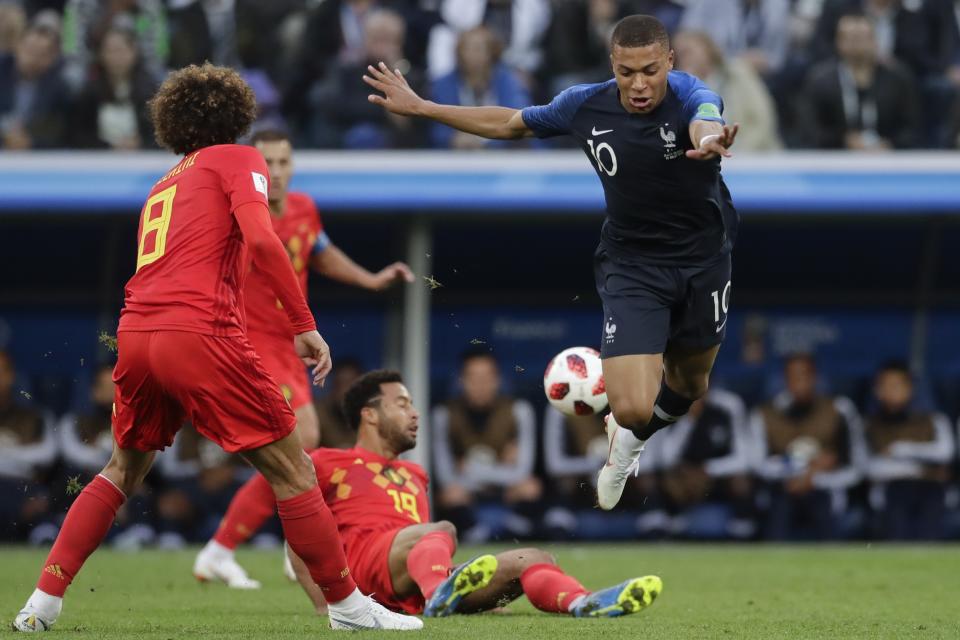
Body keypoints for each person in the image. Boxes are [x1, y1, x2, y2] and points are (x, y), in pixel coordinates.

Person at [12, 63, 421, 632]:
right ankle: (347, 608)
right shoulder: (237, 158)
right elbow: (262, 237)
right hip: (198, 333)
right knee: (296, 472)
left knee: (121, 471)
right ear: (237, 115)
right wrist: (304, 322)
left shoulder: (164, 184)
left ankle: (42, 603)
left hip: (136, 335)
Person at [364, 14, 740, 511]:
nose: (640, 84)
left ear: (669, 61)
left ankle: (628, 442)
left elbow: (705, 118)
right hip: (633, 264)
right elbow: (510, 122)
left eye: (651, 70)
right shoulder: (586, 103)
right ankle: (625, 433)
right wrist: (425, 107)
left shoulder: (693, 94)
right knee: (630, 406)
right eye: (627, 72)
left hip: (703, 260)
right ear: (613, 64)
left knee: (691, 385)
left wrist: (709, 138)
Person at [253, 369, 663, 617]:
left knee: (532, 558)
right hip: (366, 571)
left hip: (416, 571)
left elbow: (419, 541)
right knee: (441, 528)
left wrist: (486, 596)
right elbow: (297, 532)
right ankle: (442, 595)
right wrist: (326, 602)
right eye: (402, 404)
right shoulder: (328, 461)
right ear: (369, 414)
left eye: (413, 404)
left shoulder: (415, 474)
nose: (414, 413)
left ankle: (582, 602)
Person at [191, 128, 413, 587]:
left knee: (295, 452)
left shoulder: (304, 209)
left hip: (287, 344)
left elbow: (321, 255)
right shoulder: (238, 211)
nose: (274, 173)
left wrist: (372, 280)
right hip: (248, 341)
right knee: (302, 438)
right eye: (266, 163)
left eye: (283, 162)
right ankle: (241, 549)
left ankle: (240, 549)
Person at [750, 353, 865, 541]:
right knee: (780, 506)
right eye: (793, 376)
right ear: (785, 379)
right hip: (783, 487)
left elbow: (858, 466)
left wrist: (816, 479)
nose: (799, 382)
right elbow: (757, 464)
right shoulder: (764, 414)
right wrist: (800, 468)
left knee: (824, 507)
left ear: (815, 377)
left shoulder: (840, 409)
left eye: (805, 375)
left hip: (828, 488)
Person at [432, 349, 542, 542]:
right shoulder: (444, 414)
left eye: (487, 377)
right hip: (467, 491)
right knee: (450, 494)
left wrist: (471, 470)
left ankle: (515, 533)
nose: (480, 385)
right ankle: (473, 534)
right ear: (461, 381)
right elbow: (445, 476)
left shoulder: (519, 410)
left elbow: (523, 471)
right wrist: (501, 468)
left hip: (507, 489)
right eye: (473, 378)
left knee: (530, 487)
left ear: (498, 380)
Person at [800, 12, 919, 150]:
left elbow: (911, 128)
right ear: (838, 42)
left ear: (875, 40)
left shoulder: (898, 79)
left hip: (889, 159)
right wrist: (843, 141)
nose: (856, 44)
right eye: (850, 38)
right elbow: (809, 129)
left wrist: (889, 144)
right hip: (834, 159)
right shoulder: (820, 81)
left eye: (862, 37)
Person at [863, 361, 954, 540]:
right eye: (885, 385)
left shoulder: (934, 419)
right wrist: (919, 469)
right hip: (892, 491)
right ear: (877, 390)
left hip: (930, 488)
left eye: (897, 385)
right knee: (898, 495)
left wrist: (900, 449)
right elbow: (869, 467)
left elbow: (945, 452)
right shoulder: (868, 425)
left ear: (910, 388)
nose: (891, 391)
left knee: (932, 496)